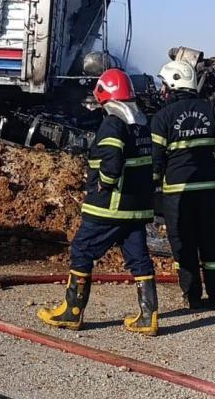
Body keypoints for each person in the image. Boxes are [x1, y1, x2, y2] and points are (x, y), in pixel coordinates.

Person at [37, 68, 159, 335]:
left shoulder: (113, 122)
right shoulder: (140, 124)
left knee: (82, 249)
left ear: (105, 95)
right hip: (137, 208)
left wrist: (104, 181)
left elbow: (112, 160)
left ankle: (72, 312)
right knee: (138, 258)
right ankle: (148, 316)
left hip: (109, 206)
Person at [151, 58, 215, 310]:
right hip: (210, 192)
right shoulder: (212, 109)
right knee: (213, 242)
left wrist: (152, 187)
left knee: (184, 244)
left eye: (164, 85)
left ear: (173, 84)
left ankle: (192, 297)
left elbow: (156, 160)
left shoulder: (162, 117)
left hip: (177, 196)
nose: (162, 91)